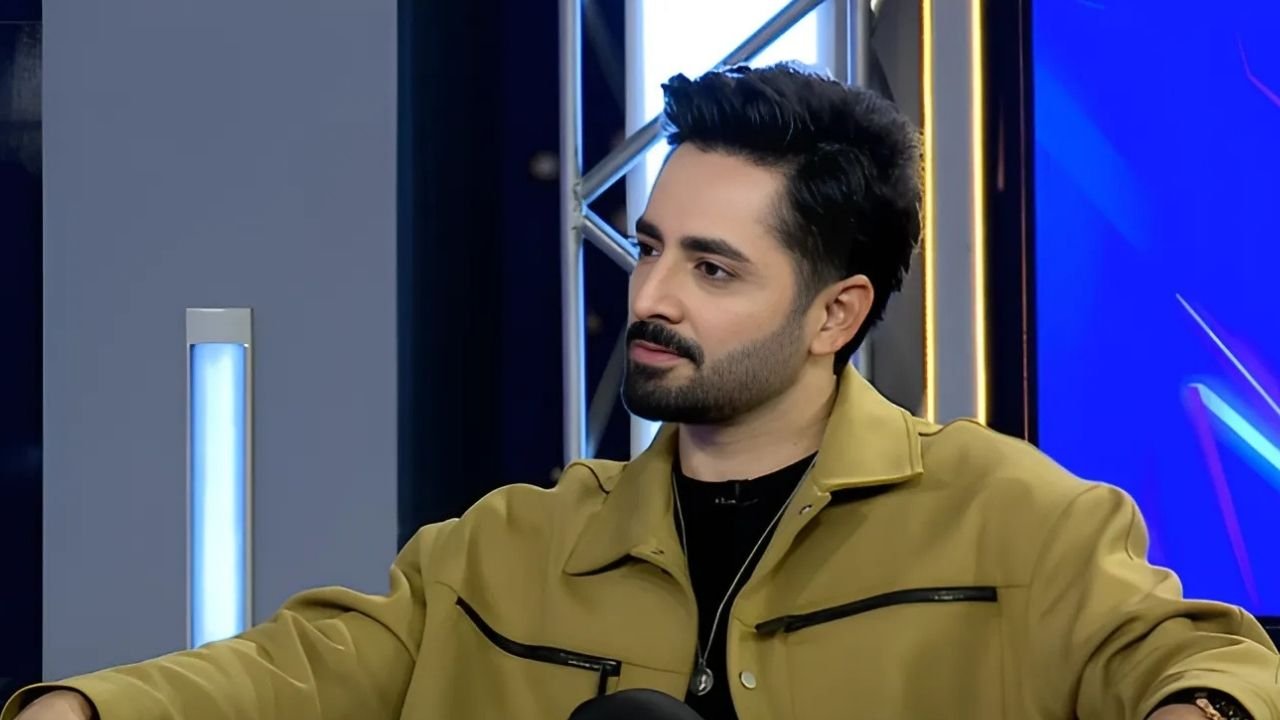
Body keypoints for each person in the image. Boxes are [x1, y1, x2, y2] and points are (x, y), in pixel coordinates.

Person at [6, 63, 1279, 720]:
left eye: (711, 268)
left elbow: (1198, 655)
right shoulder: (509, 548)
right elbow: (305, 671)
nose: (650, 294)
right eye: (652, 246)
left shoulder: (1011, 520)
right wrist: (84, 708)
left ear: (835, 314)